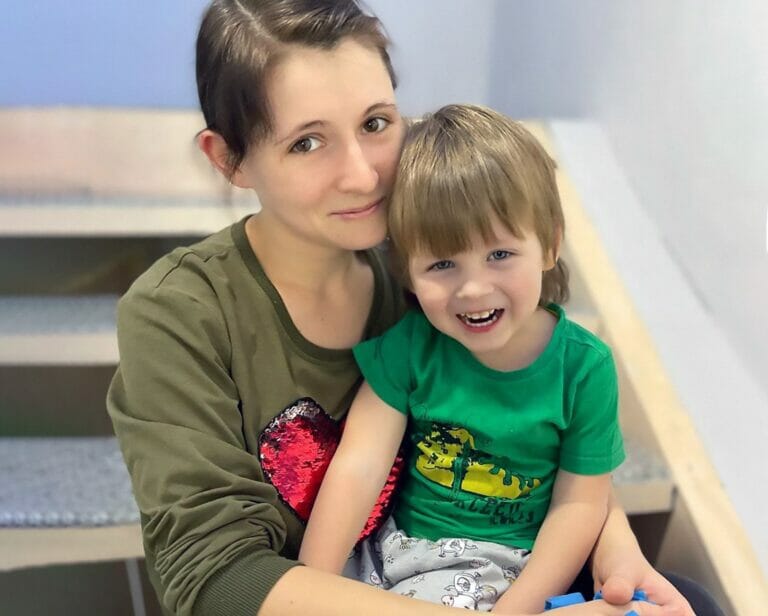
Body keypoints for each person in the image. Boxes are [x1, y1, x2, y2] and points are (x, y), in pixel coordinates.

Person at [107, 1, 719, 615]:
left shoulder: (434, 268)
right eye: (308, 142)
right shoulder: (180, 313)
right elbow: (218, 581)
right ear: (228, 158)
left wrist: (614, 544)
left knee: (686, 602)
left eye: (376, 124)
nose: (363, 175)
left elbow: (532, 418)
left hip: (478, 573)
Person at [299, 105, 624, 614]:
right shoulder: (412, 345)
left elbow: (580, 504)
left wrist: (519, 606)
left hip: (504, 569)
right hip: (391, 552)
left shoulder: (584, 367)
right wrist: (312, 584)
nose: (473, 289)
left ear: (549, 244)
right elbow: (359, 466)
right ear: (406, 271)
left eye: (500, 255)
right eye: (443, 264)